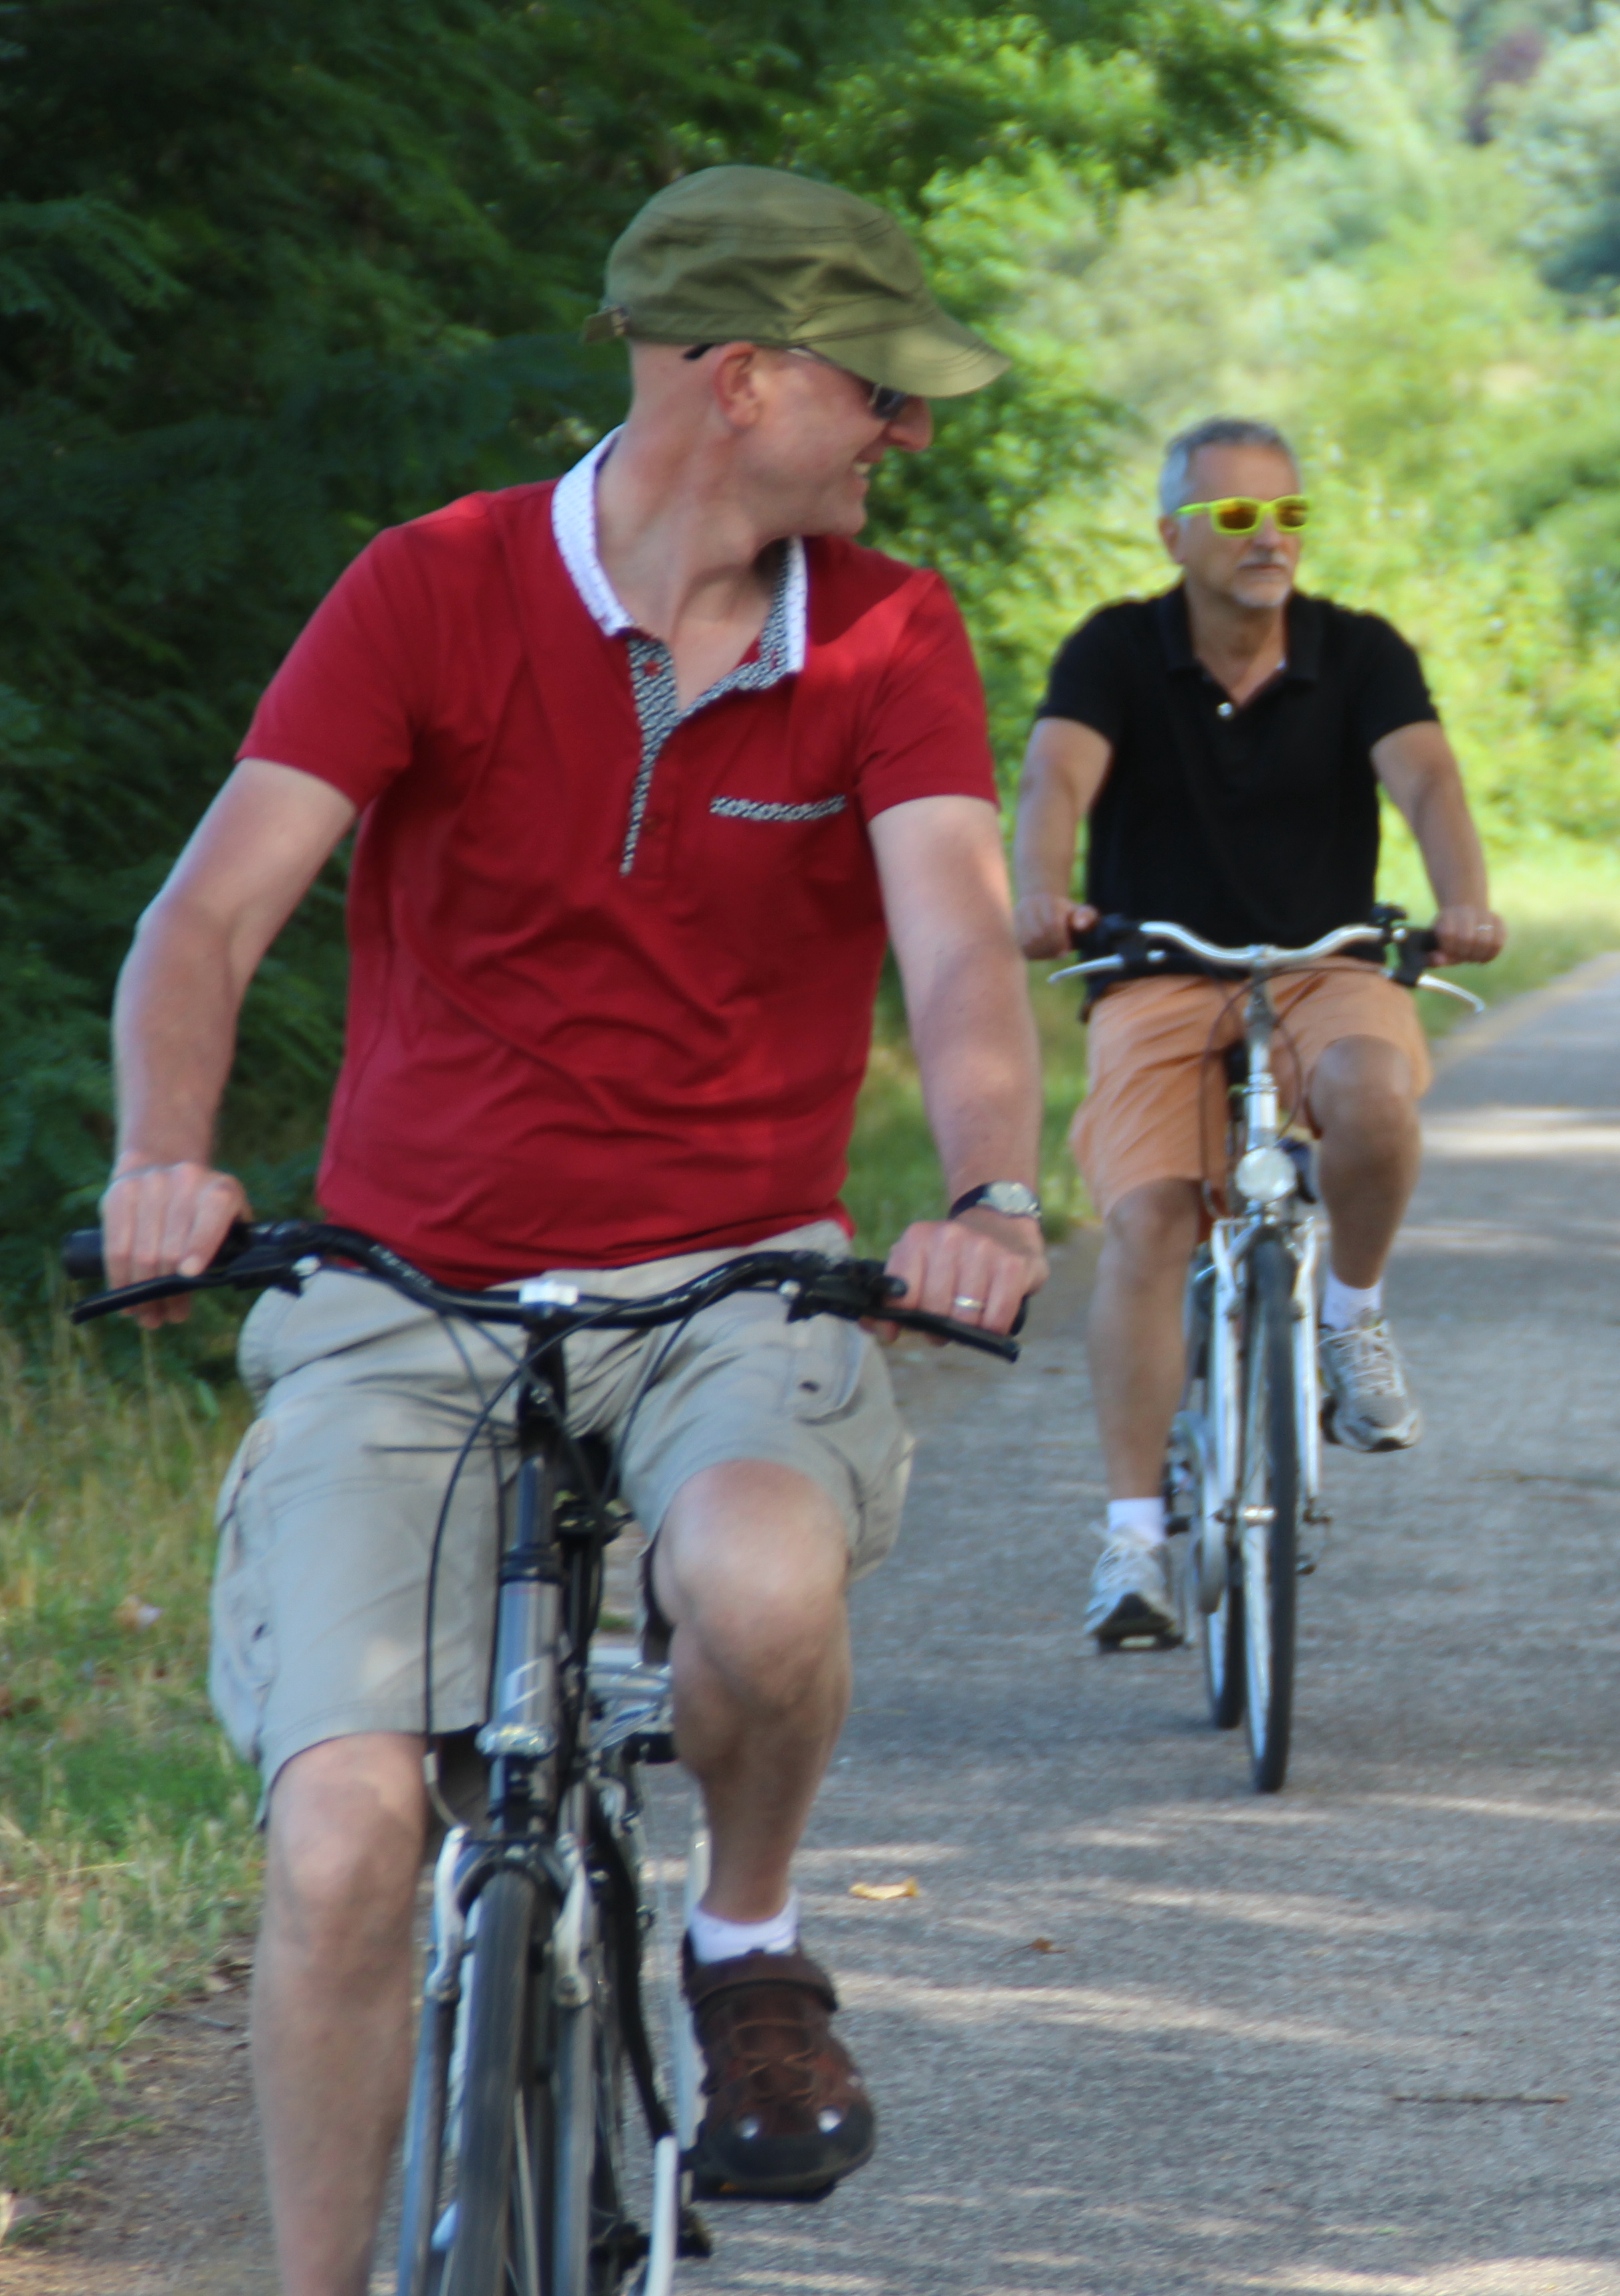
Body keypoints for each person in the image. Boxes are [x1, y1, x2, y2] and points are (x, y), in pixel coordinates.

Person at [96, 167, 1046, 2292]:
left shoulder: (888, 631)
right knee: (346, 1844)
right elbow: (211, 917)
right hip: (407, 1293)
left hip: (735, 1283)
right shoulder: (432, 590)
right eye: (880, 393)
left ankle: (749, 1943)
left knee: (760, 1577)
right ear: (746, 381)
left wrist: (988, 1191)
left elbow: (962, 952)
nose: (907, 434)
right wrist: (169, 1151)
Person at [1011, 417, 1506, 1650]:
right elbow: (1054, 780)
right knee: (1148, 1221)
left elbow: (1428, 780)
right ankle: (1133, 1540)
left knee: (1372, 1097)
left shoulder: (1358, 652)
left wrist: (1464, 897)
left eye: (1288, 514)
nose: (1268, 537)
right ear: (1173, 532)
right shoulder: (1118, 650)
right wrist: (1039, 888)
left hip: (1325, 959)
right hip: (1159, 972)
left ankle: (1350, 1313)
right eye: (1235, 517)